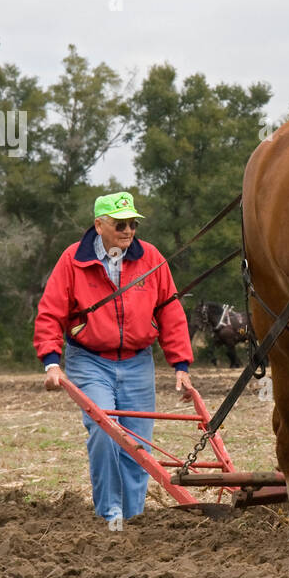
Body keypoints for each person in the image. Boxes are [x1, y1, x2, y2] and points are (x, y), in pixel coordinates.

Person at [35, 191, 193, 529]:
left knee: (136, 446)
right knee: (105, 434)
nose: (128, 230)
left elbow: (170, 313)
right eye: (120, 224)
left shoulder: (151, 258)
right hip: (90, 360)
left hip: (138, 361)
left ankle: (132, 520)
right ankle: (111, 516)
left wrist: (180, 366)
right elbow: (50, 312)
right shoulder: (72, 261)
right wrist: (51, 361)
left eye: (133, 223)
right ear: (99, 225)